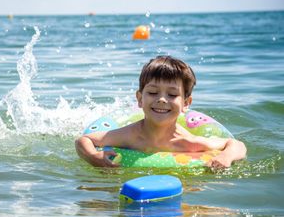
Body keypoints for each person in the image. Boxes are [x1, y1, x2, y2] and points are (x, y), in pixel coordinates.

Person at [75, 55, 246, 169]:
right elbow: (84, 139)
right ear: (140, 99)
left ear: (186, 103)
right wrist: (93, 156)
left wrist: (226, 158)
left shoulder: (188, 142)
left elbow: (237, 144)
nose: (162, 99)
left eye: (172, 94)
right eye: (153, 92)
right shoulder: (129, 135)